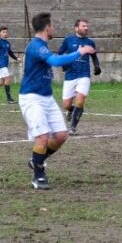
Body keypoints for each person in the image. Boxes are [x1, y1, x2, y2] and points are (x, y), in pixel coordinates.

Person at [19, 12, 96, 190]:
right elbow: (54, 61)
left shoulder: (42, 46)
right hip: (32, 98)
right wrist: (79, 52)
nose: (54, 29)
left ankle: (36, 160)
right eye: (52, 26)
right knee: (43, 137)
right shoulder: (36, 46)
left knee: (61, 135)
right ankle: (38, 176)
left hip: (46, 98)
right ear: (47, 28)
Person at [58, 19, 101, 135]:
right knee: (66, 105)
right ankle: (72, 111)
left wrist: (97, 66)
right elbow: (60, 53)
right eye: (83, 26)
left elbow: (94, 57)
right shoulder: (68, 40)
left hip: (84, 74)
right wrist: (64, 63)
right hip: (70, 75)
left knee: (80, 100)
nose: (86, 28)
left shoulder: (90, 42)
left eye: (87, 26)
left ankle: (73, 127)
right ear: (76, 28)